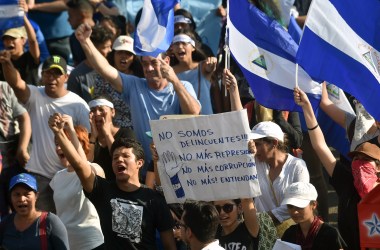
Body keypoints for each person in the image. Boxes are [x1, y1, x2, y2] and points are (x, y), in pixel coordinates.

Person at [75, 23, 201, 176]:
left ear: (167, 62)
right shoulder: (134, 85)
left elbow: (194, 112)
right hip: (144, 171)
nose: (148, 69)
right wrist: (85, 41)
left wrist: (175, 80)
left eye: (154, 63)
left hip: (180, 168)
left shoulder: (183, 86)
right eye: (145, 64)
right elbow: (105, 69)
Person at [49, 113, 177, 250]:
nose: (119, 160)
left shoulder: (154, 200)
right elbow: (80, 166)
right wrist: (59, 132)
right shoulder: (102, 191)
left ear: (139, 163)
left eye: (125, 156)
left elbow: (169, 246)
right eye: (115, 157)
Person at [0, 52, 90, 212]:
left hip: (69, 176)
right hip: (40, 177)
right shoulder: (35, 94)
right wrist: (7, 63)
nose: (52, 78)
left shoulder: (78, 104)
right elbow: (17, 84)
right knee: (41, 229)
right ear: (42, 76)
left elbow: (86, 144)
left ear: (66, 77)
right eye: (47, 73)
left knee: (67, 226)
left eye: (57, 74)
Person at [223, 69, 309, 235]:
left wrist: (266, 218)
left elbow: (298, 199)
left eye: (259, 143)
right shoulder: (254, 162)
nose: (253, 147)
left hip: (294, 232)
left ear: (274, 143)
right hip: (262, 232)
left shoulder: (298, 166)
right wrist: (234, 90)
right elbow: (240, 126)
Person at [293, 86, 379, 250]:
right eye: (357, 158)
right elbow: (320, 146)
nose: (361, 165)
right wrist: (307, 108)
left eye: (367, 160)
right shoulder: (347, 183)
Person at [50, 115, 105, 250]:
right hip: (66, 245)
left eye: (63, 143)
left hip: (92, 244)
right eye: (57, 144)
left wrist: (70, 129)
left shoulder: (95, 169)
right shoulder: (57, 177)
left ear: (79, 144)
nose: (59, 148)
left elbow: (82, 166)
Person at [0, 173, 69, 249]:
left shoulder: (51, 222)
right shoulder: (5, 224)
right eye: (17, 194)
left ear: (36, 196)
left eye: (27, 194)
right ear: (10, 197)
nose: (22, 199)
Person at [281, 182, 346, 249]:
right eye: (290, 206)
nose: (295, 212)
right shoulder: (289, 234)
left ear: (314, 205)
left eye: (299, 206)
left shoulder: (330, 234)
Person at [0, 81, 31, 218]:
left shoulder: (5, 87)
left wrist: (22, 148)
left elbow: (24, 118)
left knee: (22, 210)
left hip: (13, 161)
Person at [87, 97, 136, 180]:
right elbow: (87, 163)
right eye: (93, 110)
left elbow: (119, 157)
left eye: (101, 109)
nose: (97, 113)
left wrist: (107, 133)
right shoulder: (89, 137)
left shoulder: (126, 134)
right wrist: (93, 137)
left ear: (112, 112)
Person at [172, 29, 218, 115]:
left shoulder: (203, 67)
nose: (180, 47)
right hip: (181, 124)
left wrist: (212, 64)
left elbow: (210, 68)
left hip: (207, 123)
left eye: (184, 43)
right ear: (172, 48)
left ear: (193, 47)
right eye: (176, 43)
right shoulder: (169, 72)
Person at [67, 25, 113, 102]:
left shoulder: (113, 68)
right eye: (106, 47)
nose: (110, 50)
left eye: (110, 46)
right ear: (93, 48)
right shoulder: (76, 76)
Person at [0, 1, 40, 85]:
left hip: (30, 97)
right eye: (6, 38)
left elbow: (33, 41)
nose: (9, 41)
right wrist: (6, 62)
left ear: (23, 40)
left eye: (13, 38)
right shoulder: (2, 61)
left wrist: (23, 16)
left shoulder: (30, 58)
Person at [66, 0, 96, 66]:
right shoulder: (73, 38)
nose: (68, 20)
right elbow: (76, 64)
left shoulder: (102, 35)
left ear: (82, 15)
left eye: (70, 16)